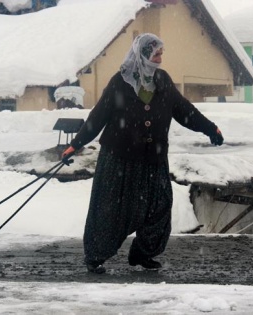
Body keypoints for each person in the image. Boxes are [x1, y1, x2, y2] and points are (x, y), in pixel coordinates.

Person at [61, 33, 224, 274]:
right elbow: (98, 116)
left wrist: (210, 128)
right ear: (143, 54)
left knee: (159, 206)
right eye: (156, 53)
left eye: (161, 53)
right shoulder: (121, 82)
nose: (160, 58)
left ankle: (143, 254)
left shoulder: (163, 80)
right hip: (119, 159)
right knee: (111, 209)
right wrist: (76, 144)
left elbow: (184, 110)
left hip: (153, 160)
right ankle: (95, 255)